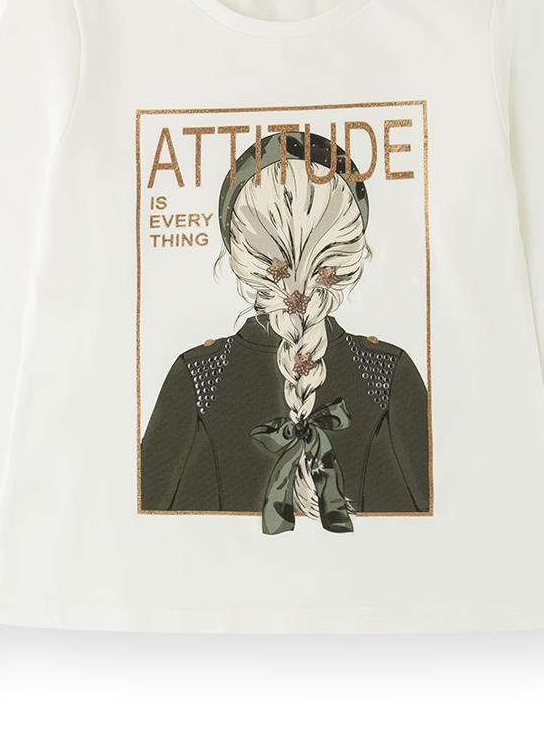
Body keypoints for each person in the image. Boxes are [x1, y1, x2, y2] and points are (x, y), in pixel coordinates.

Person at [141, 131, 429, 534]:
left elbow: (142, 530)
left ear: (238, 255)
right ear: (350, 254)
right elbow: (442, 524)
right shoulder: (385, 372)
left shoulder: (199, 375)